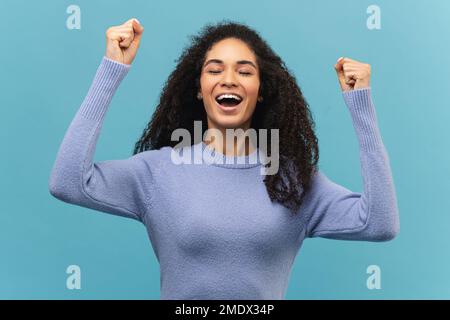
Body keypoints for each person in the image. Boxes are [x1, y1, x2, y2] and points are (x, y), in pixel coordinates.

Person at [49, 18, 400, 300]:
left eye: (245, 71)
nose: (228, 79)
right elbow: (68, 183)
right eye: (214, 70)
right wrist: (112, 69)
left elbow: (379, 223)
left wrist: (361, 107)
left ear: (261, 92)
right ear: (198, 88)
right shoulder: (159, 171)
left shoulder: (292, 180)